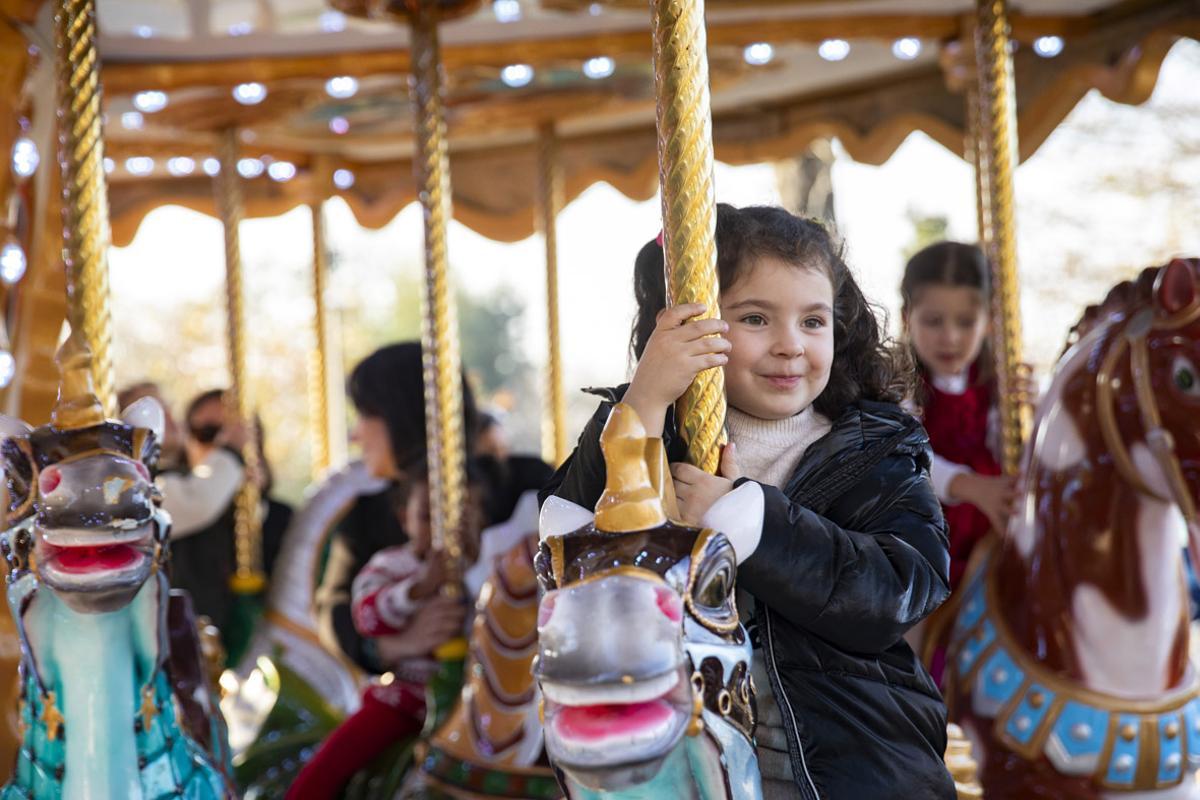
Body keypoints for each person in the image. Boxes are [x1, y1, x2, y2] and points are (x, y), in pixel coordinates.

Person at [541, 205, 954, 799]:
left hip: (849, 759)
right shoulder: (648, 431)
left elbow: (899, 588)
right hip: (683, 752)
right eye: (756, 318)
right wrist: (644, 402)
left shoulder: (877, 450)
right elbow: (567, 550)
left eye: (813, 322)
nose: (791, 346)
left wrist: (749, 519)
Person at [288, 465, 483, 799]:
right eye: (426, 517)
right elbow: (368, 617)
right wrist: (418, 589)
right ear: (404, 518)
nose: (440, 531)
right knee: (328, 768)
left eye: (452, 519)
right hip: (405, 697)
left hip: (471, 699)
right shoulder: (390, 565)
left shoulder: (480, 567)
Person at [900, 241, 1026, 588]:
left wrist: (1032, 410)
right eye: (934, 321)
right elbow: (906, 455)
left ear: (989, 322)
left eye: (966, 322)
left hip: (992, 523)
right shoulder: (900, 385)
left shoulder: (995, 382)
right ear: (907, 318)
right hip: (930, 531)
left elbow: (1011, 450)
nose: (950, 337)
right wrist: (969, 486)